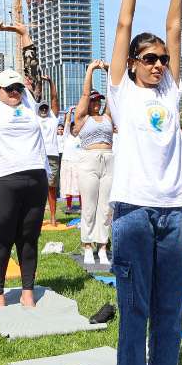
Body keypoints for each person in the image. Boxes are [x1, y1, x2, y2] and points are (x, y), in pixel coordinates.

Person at [108, 0, 182, 365]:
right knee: (135, 306)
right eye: (148, 58)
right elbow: (122, 26)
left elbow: (176, 27)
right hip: (134, 210)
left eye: (161, 57)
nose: (158, 64)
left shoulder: (171, 91)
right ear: (133, 62)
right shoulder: (122, 95)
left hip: (175, 207)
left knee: (170, 307)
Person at [0, 22, 48, 308]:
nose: (16, 91)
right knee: (1, 239)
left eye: (18, 86)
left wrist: (25, 36)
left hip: (34, 178)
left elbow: (33, 71)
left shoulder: (29, 99)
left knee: (29, 239)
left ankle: (28, 291)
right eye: (9, 88)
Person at [73, 61, 115, 265]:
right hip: (89, 160)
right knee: (89, 206)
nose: (96, 104)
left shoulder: (107, 116)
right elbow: (84, 94)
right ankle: (87, 245)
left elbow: (113, 94)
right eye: (94, 101)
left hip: (108, 160)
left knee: (106, 208)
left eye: (99, 101)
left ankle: (103, 246)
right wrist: (90, 70)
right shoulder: (82, 118)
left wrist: (108, 73)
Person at [36, 82, 62, 227]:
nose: (45, 109)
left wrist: (51, 82)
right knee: (38, 188)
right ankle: (38, 218)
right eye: (42, 107)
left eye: (46, 107)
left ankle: (52, 217)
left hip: (52, 155)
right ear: (38, 109)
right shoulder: (35, 118)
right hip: (38, 156)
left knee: (51, 188)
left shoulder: (53, 118)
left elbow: (54, 98)